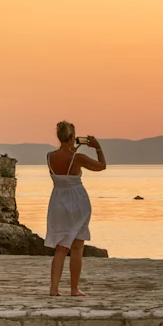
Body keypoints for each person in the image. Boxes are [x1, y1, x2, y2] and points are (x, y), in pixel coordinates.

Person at [46, 121, 106, 297]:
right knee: (77, 247)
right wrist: (98, 147)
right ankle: (74, 289)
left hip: (57, 201)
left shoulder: (49, 156)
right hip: (77, 201)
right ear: (72, 137)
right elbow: (101, 166)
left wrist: (73, 147)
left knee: (60, 247)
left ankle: (54, 289)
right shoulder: (77, 158)